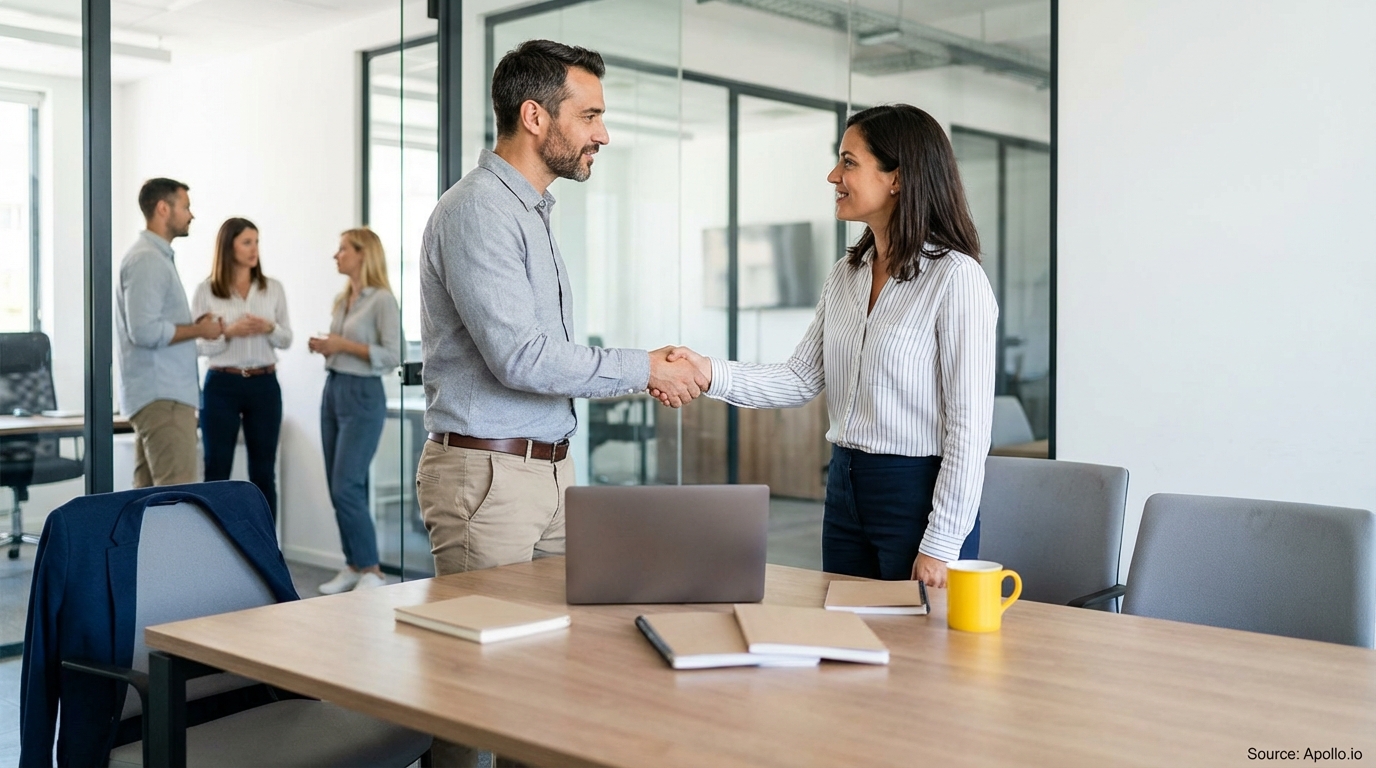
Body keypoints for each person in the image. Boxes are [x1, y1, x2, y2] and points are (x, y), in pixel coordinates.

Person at [662, 105, 997, 589]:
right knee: (845, 639)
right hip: (843, 489)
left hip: (917, 496)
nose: (833, 175)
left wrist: (941, 543)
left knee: (920, 656)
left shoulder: (955, 278)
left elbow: (969, 429)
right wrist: (705, 371)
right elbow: (800, 377)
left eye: (849, 162)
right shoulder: (847, 274)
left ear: (897, 179)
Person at [416, 40, 706, 578]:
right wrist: (644, 368)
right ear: (534, 116)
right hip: (490, 477)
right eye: (590, 115)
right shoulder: (480, 210)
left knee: (554, 649)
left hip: (547, 470)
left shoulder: (530, 211)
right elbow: (521, 358)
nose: (602, 133)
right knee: (487, 655)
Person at [309, 228, 400, 594]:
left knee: (346, 484)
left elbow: (393, 356)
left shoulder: (382, 301)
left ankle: (373, 571)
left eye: (343, 249)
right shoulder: (343, 299)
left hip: (363, 394)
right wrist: (328, 348)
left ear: (364, 254)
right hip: (335, 389)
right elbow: (345, 349)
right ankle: (354, 564)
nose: (337, 255)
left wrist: (342, 344)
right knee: (340, 485)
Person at [116, 178, 223, 488]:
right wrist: (199, 329)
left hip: (161, 395)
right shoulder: (147, 259)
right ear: (163, 208)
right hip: (163, 397)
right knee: (176, 497)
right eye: (186, 206)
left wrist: (195, 328)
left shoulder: (154, 257)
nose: (191, 215)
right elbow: (145, 331)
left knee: (149, 498)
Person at [192, 218, 293, 519]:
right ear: (228, 247)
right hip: (221, 385)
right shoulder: (206, 291)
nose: (254, 249)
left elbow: (286, 339)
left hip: (264, 384)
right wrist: (229, 333)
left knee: (263, 473)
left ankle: (265, 551)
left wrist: (268, 326)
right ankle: (214, 549)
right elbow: (198, 345)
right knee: (216, 469)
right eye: (247, 242)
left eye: (256, 242)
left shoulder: (272, 288)